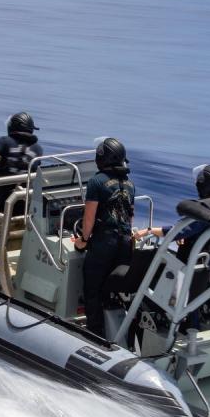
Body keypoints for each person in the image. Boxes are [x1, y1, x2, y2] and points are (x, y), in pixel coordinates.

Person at [74, 137, 135, 338]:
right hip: (125, 243)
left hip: (104, 243)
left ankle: (95, 334)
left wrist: (82, 241)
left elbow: (89, 217)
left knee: (92, 289)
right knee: (114, 290)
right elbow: (130, 217)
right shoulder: (130, 184)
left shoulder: (96, 181)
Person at [133, 164, 210, 279]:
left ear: (202, 187)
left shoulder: (206, 211)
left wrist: (148, 231)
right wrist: (187, 236)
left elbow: (175, 231)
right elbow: (196, 230)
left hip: (200, 273)